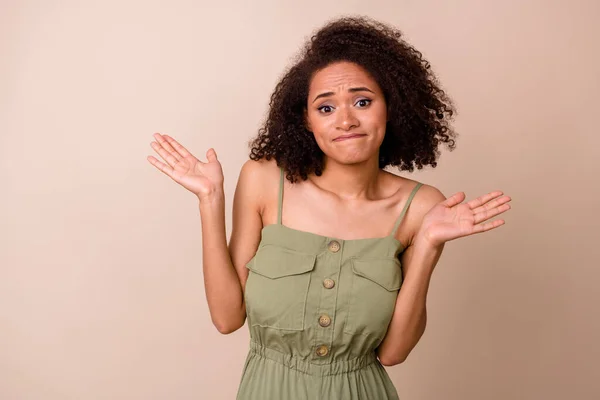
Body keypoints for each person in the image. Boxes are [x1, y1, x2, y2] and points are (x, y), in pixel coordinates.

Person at [147, 16, 511, 400]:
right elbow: (226, 318)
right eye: (326, 108)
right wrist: (210, 200)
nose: (346, 120)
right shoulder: (263, 180)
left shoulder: (422, 206)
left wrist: (429, 245)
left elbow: (394, 352)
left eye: (363, 101)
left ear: (391, 107)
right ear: (306, 120)